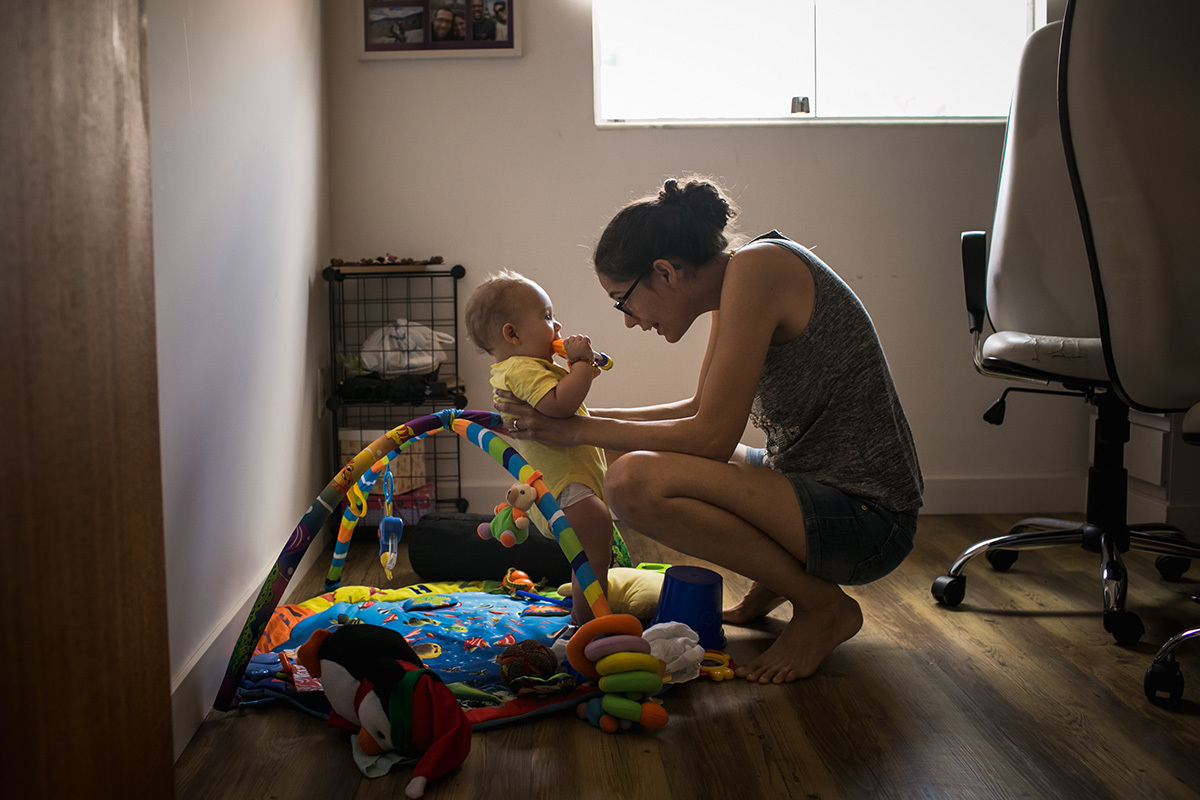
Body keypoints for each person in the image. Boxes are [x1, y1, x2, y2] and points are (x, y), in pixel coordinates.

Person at [496, 176, 924, 683]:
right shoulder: (740, 276)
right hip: (823, 491)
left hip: (868, 519)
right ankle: (778, 581)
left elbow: (710, 439)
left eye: (622, 300)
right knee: (631, 460)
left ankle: (821, 605)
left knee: (631, 482)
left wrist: (575, 434)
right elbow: (700, 408)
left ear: (665, 272)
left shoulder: (759, 269)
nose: (629, 322)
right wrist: (575, 423)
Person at [465, 271, 618, 623]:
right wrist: (579, 364)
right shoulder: (520, 369)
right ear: (512, 334)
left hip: (568, 481)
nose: (557, 324)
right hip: (566, 486)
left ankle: (589, 617)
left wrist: (578, 370)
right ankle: (589, 622)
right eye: (547, 317)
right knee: (593, 554)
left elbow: (561, 400)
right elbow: (560, 406)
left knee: (593, 555)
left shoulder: (526, 367)